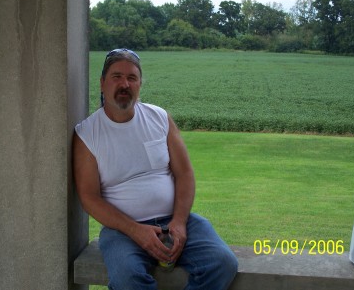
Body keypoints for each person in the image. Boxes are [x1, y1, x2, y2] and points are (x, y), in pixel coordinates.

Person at [73, 48, 238, 290]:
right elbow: (89, 197)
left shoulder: (159, 118)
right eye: (117, 77)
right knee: (128, 279)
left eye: (132, 78)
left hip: (176, 221)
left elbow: (185, 174)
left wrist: (180, 222)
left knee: (222, 262)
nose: (125, 84)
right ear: (102, 83)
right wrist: (136, 230)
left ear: (140, 84)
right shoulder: (87, 134)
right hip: (123, 232)